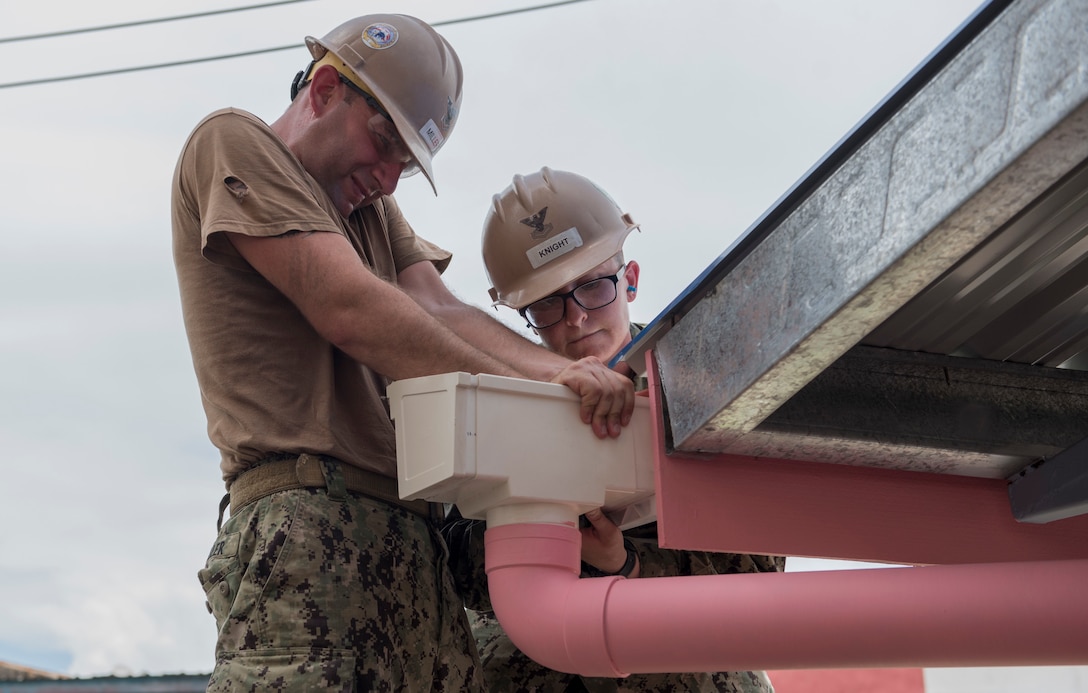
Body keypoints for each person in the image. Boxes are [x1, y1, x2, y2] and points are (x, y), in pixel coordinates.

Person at [171, 17, 634, 691]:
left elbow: (442, 309)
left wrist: (562, 375)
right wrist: (535, 385)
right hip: (304, 531)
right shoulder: (233, 144)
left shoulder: (368, 212)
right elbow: (351, 307)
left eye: (406, 166)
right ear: (326, 88)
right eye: (385, 143)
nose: (388, 179)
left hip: (415, 544)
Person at [444, 167, 785, 692]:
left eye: (593, 288)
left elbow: (757, 575)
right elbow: (459, 561)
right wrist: (544, 536)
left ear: (629, 280)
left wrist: (625, 565)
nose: (576, 319)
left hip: (686, 659)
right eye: (549, 303)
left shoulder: (700, 383)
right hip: (542, 663)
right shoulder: (502, 400)